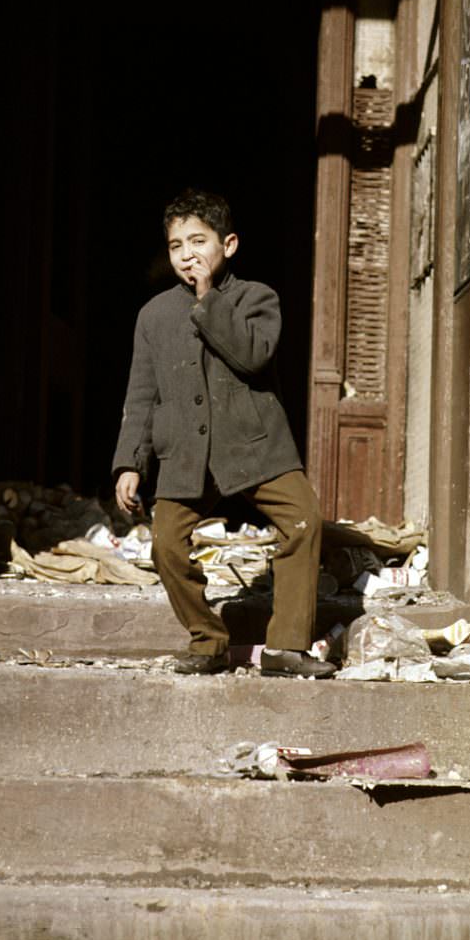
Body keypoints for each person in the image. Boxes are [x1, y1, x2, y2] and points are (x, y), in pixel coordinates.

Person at [113, 189, 334, 678]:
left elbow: (253, 355)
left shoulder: (257, 298)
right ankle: (207, 640)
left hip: (254, 446)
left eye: (199, 241)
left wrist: (208, 298)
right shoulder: (153, 316)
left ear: (228, 245)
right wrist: (131, 461)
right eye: (176, 246)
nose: (187, 254)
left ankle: (286, 647)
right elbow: (142, 394)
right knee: (166, 543)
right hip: (185, 453)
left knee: (304, 520)